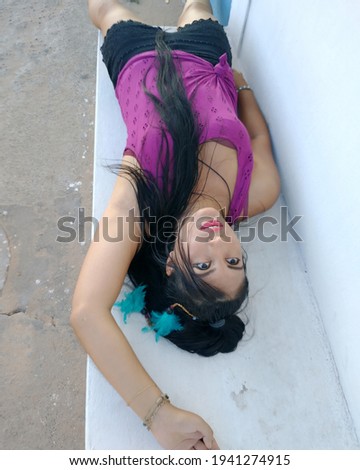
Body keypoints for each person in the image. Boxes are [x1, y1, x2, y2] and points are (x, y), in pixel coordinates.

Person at [71, 0, 280, 450]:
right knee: (196, 3)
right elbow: (260, 138)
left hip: (134, 55)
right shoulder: (256, 193)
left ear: (170, 265)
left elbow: (87, 311)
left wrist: (158, 415)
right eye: (232, 259)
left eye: (203, 267)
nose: (216, 243)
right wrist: (241, 87)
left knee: (105, 6)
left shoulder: (144, 197)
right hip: (206, 51)